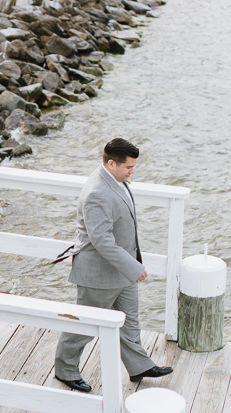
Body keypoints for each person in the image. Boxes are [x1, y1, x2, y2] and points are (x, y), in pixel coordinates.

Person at [54, 138, 172, 392]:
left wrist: (130, 266)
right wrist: (134, 267)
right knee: (84, 325)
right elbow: (102, 241)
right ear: (111, 163)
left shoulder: (115, 180)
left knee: (130, 321)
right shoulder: (97, 192)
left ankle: (139, 365)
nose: (132, 172)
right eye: (129, 167)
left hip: (121, 270)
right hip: (99, 273)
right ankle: (65, 369)